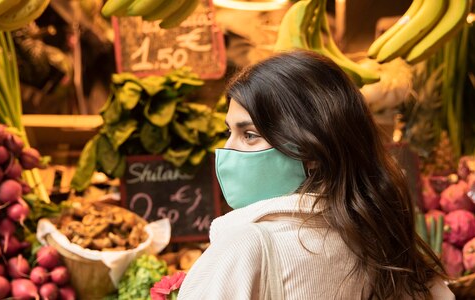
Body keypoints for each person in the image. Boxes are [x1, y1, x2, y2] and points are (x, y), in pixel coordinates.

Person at [177, 50, 454, 299]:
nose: (227, 150)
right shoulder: (379, 241)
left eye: (249, 135)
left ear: (311, 151)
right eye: (229, 132)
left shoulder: (247, 246)